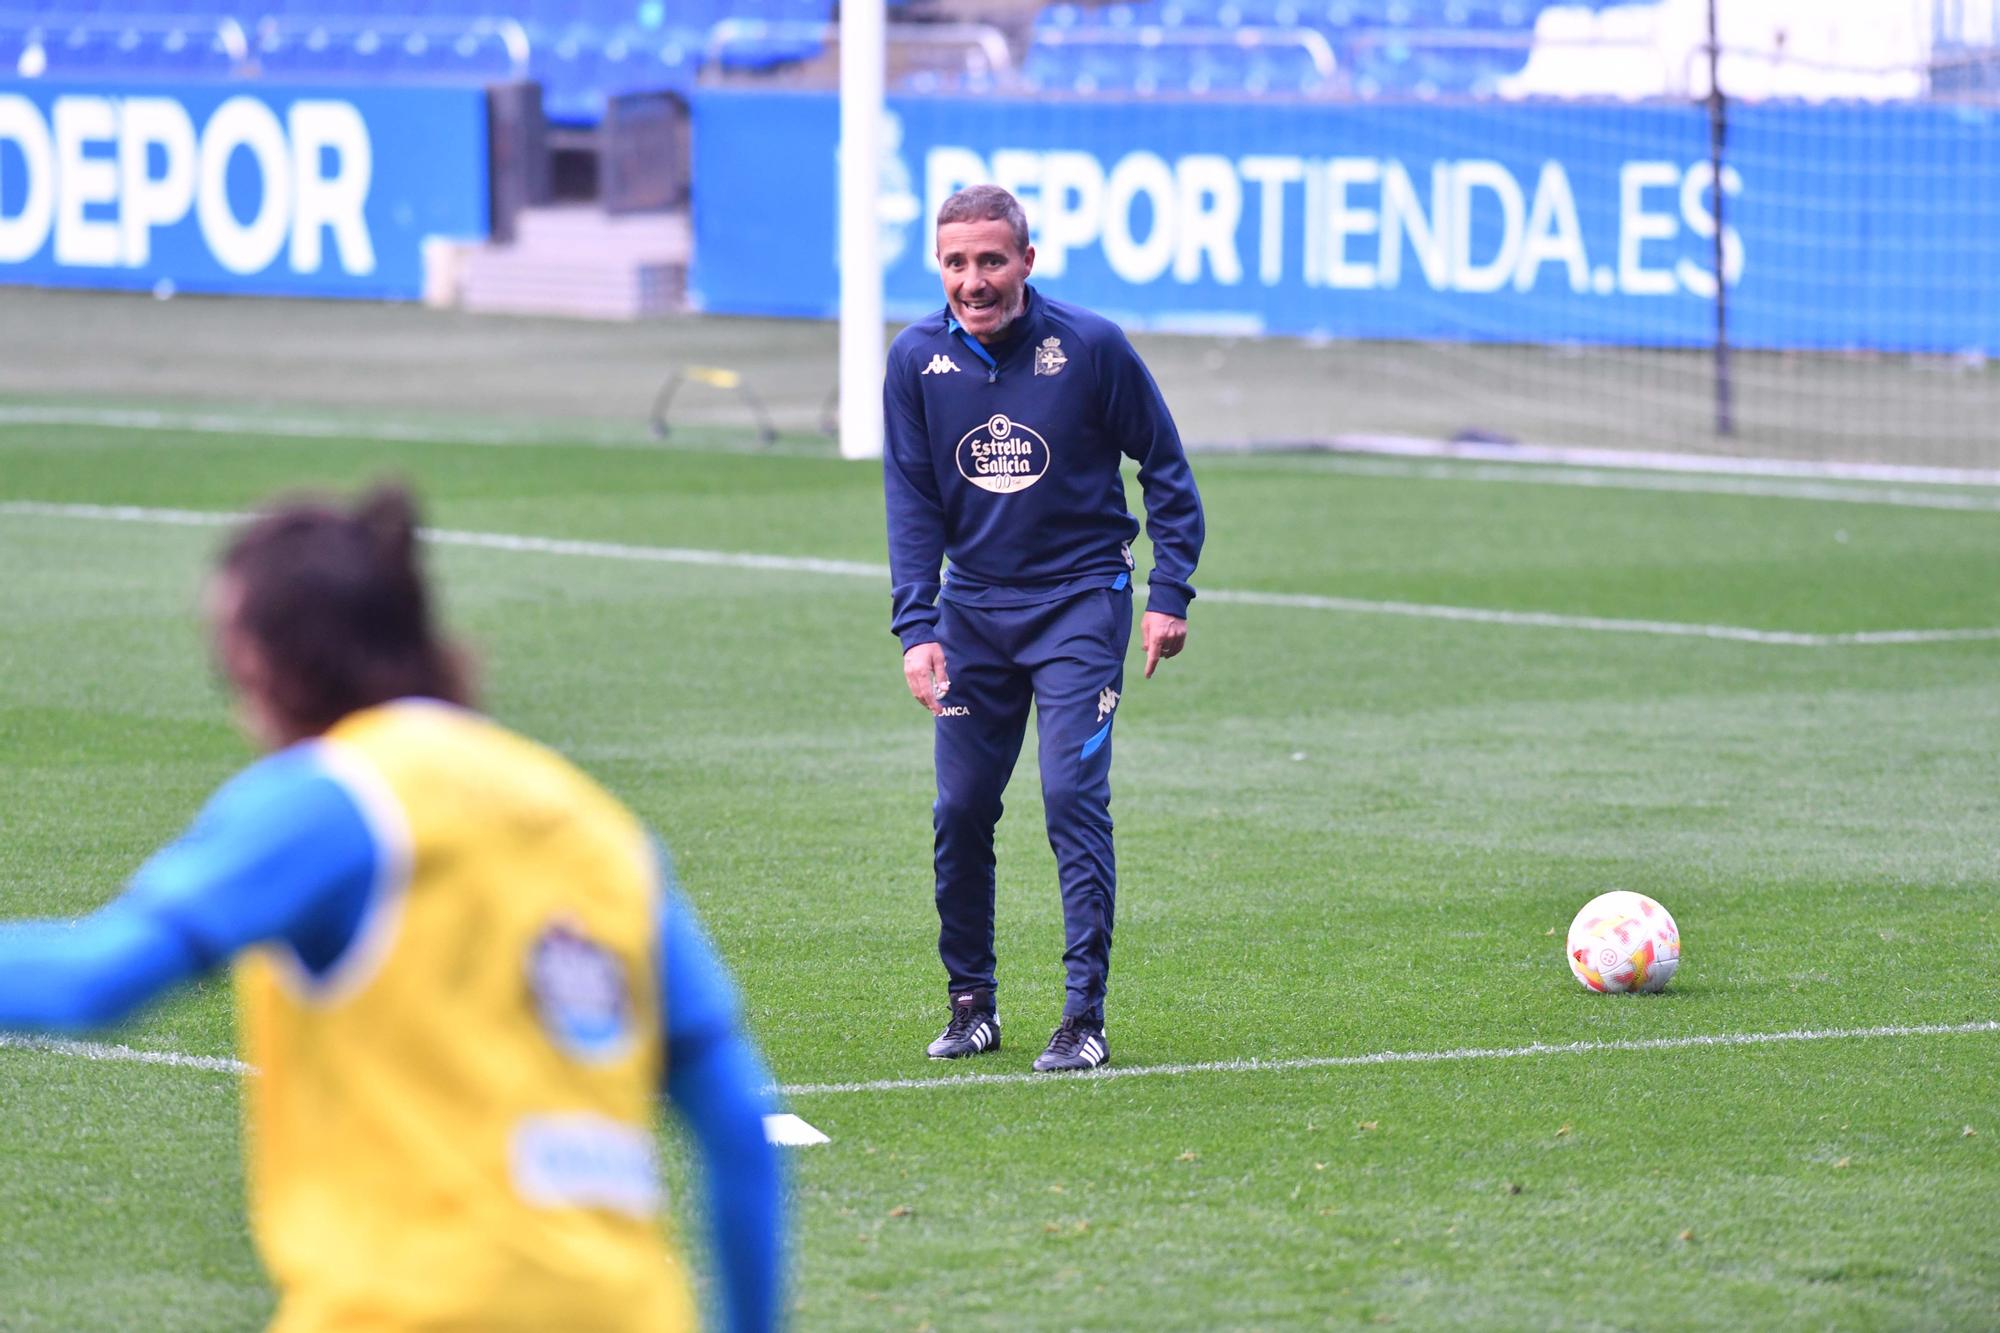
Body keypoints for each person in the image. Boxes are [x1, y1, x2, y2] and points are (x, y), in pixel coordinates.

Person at [0, 487, 785, 1332]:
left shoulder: (333, 800)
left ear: (265, 662)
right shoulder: (595, 825)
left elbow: (90, 980)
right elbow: (738, 1122)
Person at [883, 184, 1205, 1073]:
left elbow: (1166, 469)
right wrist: (919, 628)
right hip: (972, 616)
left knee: (1069, 798)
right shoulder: (913, 361)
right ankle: (972, 1002)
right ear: (938, 266)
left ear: (1028, 258)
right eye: (956, 262)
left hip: (1078, 606)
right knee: (960, 808)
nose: (974, 280)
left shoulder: (1090, 347)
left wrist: (1169, 591)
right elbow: (912, 504)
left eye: (992, 260)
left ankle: (1082, 1016)